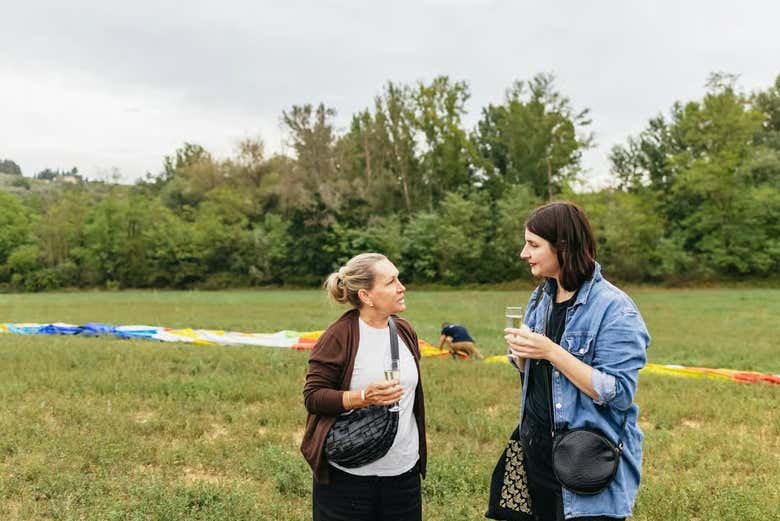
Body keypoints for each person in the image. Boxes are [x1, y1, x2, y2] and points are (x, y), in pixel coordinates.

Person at [498, 202, 649, 521]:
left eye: (533, 244)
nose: (524, 253)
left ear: (563, 246)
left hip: (583, 463)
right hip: (537, 454)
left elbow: (619, 392)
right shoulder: (541, 296)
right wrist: (524, 357)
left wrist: (551, 351)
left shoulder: (615, 309)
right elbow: (537, 378)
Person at [300, 253, 427, 521]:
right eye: (392, 281)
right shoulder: (338, 336)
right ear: (366, 296)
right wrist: (362, 397)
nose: (402, 287)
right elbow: (313, 397)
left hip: (403, 476)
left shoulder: (404, 331)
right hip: (347, 479)